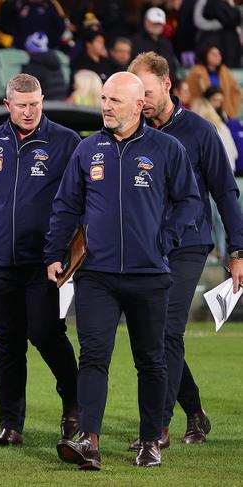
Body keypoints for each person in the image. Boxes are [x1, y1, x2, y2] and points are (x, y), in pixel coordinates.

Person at [46, 71, 200, 470]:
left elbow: (189, 202)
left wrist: (164, 241)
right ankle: (89, 440)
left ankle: (151, 440)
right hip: (96, 274)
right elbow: (66, 205)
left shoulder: (167, 148)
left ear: (138, 106)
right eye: (103, 98)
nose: (106, 106)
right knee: (93, 356)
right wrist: (54, 253)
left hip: (149, 275)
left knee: (150, 360)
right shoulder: (86, 150)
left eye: (115, 100)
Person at [127, 51, 243, 450]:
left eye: (145, 91)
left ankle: (157, 428)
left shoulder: (200, 131)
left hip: (189, 243)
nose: (139, 100)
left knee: (166, 330)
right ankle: (194, 411)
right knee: (154, 336)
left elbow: (227, 193)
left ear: (166, 85)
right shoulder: (132, 131)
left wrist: (239, 250)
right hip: (146, 246)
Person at [0, 73, 80, 448]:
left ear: (42, 100)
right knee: (8, 343)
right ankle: (11, 425)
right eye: (22, 105)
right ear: (7, 105)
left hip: (45, 263)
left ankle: (74, 404)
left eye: (35, 104)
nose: (29, 112)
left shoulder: (65, 142)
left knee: (46, 334)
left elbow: (80, 200)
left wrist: (63, 247)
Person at [184, 44, 242, 120]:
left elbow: (236, 92)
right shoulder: (196, 72)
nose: (217, 56)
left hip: (224, 111)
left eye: (219, 54)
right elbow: (189, 92)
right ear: (205, 55)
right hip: (202, 112)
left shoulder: (225, 71)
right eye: (213, 54)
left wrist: (231, 108)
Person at [130, 7, 179, 81]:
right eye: (154, 22)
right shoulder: (135, 42)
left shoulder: (166, 43)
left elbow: (172, 66)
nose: (156, 25)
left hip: (166, 85)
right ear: (146, 21)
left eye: (159, 23)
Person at [21, 32, 67, 101]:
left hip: (45, 107)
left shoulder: (32, 68)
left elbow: (19, 92)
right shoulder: (55, 62)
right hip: (60, 104)